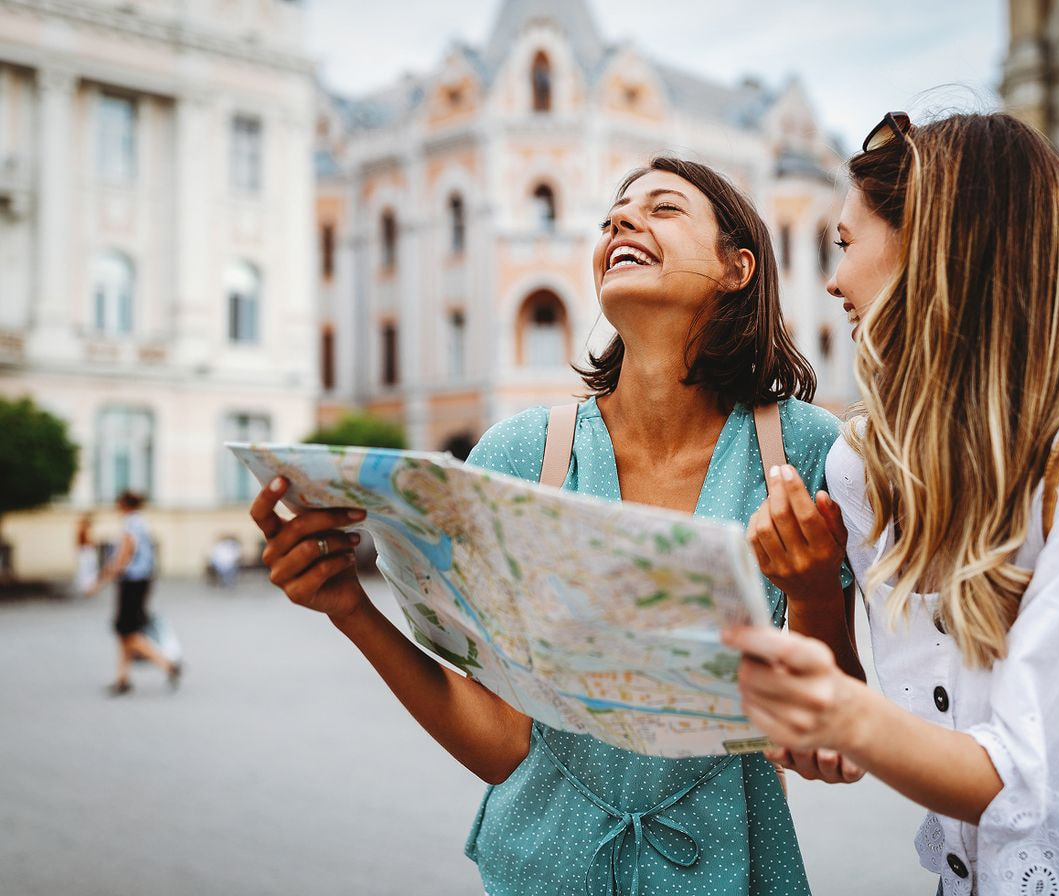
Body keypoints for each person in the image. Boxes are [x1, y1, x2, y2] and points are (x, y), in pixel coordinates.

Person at [250, 157, 860, 895]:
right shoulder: (519, 455)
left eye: (663, 208)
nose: (621, 221)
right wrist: (351, 607)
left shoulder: (803, 450)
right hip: (540, 873)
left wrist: (815, 593)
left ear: (738, 267)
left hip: (733, 873)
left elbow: (834, 736)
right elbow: (503, 745)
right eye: (613, 216)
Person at [724, 112, 1059, 892]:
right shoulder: (864, 467)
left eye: (846, 244)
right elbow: (856, 744)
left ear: (934, 250)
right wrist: (812, 595)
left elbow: (1012, 777)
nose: (833, 281)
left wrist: (832, 709)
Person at [88, 490, 182, 695]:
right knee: (125, 631)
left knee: (127, 632)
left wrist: (99, 581)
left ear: (123, 504)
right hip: (140, 581)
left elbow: (123, 557)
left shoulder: (131, 524)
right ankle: (123, 679)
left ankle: (168, 665)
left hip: (132, 583)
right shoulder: (140, 522)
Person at [74, 513, 98, 596]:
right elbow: (89, 541)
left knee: (85, 570)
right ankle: (88, 588)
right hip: (87, 551)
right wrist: (94, 543)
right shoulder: (84, 530)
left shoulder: (80, 530)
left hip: (83, 551)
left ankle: (87, 587)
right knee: (88, 570)